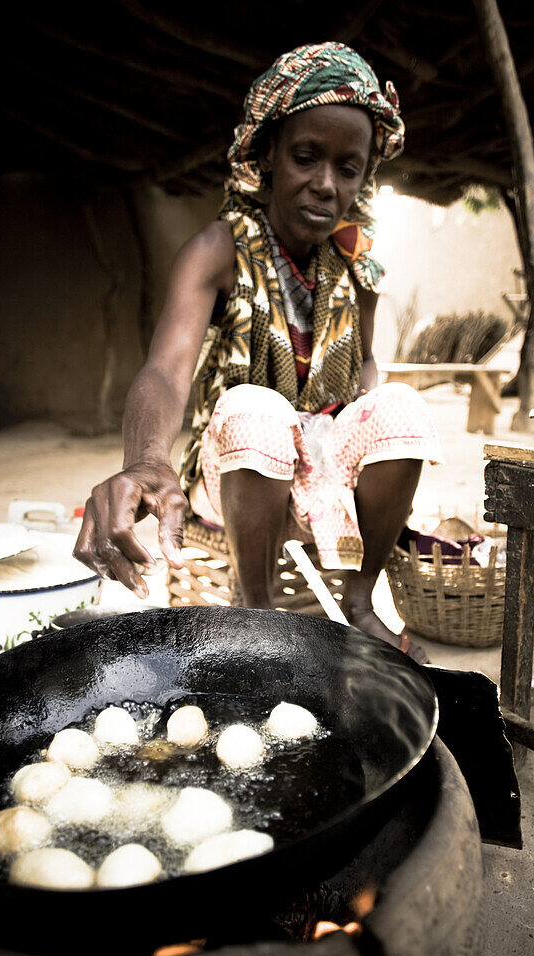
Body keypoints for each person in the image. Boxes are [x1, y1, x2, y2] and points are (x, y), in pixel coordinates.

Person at [74, 42, 442, 659]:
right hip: (240, 471)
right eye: (305, 157)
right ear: (267, 154)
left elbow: (370, 363)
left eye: (348, 168)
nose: (326, 184)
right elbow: (166, 370)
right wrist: (145, 458)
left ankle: (357, 601)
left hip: (324, 468)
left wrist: (359, 428)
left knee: (402, 407)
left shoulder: (359, 268)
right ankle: (257, 609)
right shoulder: (218, 250)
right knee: (257, 408)